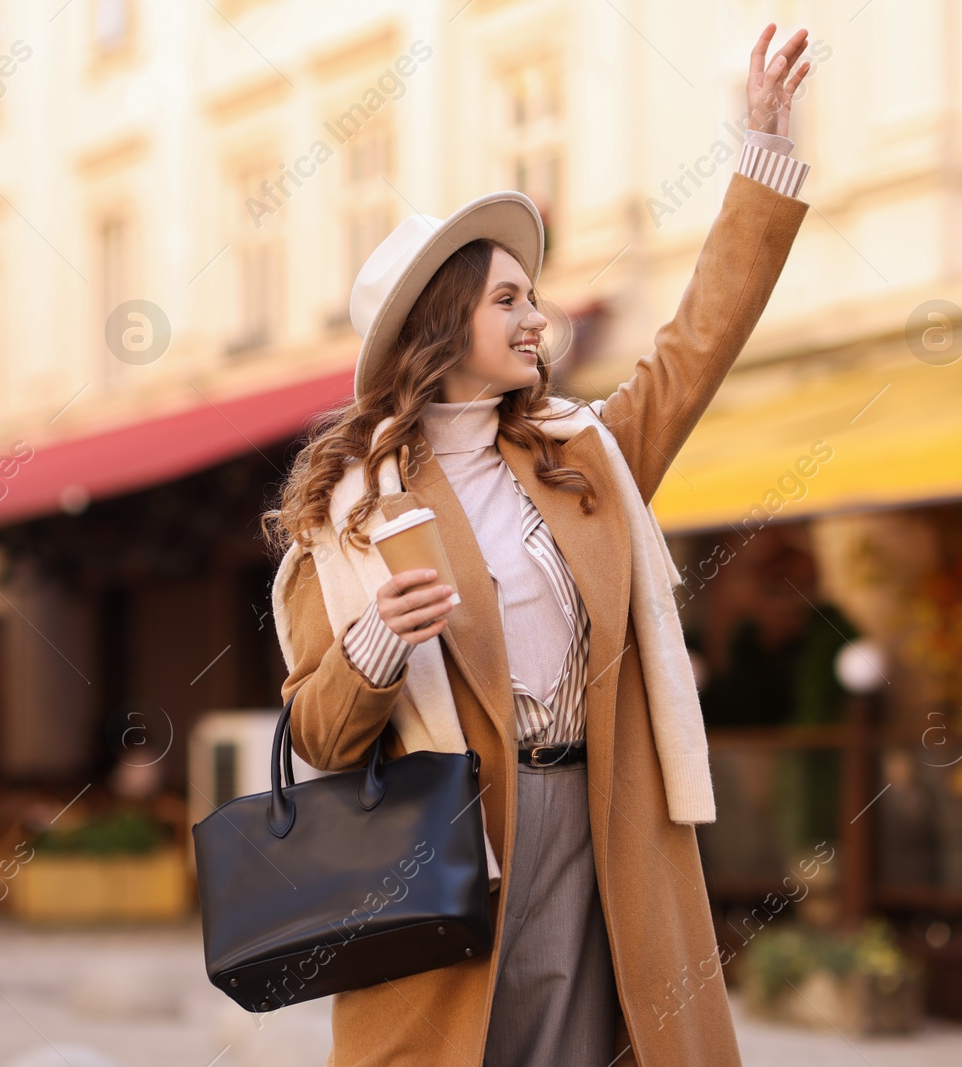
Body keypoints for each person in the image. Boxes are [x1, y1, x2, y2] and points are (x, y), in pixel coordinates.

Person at [262, 23, 816, 1066]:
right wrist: (377, 644)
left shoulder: (586, 459)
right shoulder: (345, 517)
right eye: (507, 298)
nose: (537, 319)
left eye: (533, 294)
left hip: (605, 816)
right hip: (452, 844)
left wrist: (760, 157)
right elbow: (319, 739)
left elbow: (696, 342)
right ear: (440, 326)